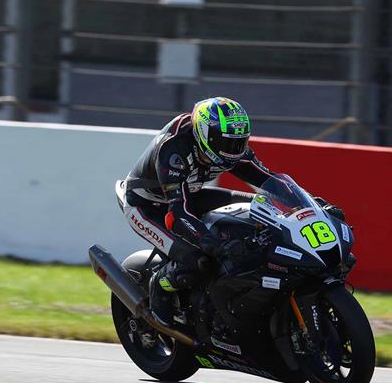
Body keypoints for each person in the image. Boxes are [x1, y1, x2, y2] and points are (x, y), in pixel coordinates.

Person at [122, 96, 343, 326]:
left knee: (258, 205)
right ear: (205, 134)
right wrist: (211, 242)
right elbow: (177, 213)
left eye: (239, 142)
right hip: (148, 206)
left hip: (191, 194)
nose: (234, 150)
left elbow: (270, 182)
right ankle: (159, 284)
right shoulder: (173, 151)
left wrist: (315, 205)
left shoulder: (229, 151)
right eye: (227, 143)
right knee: (198, 261)